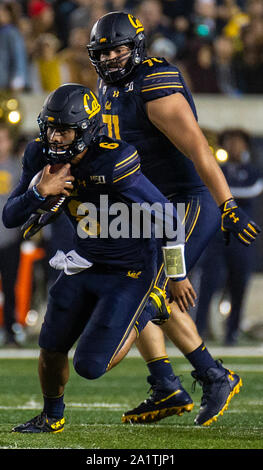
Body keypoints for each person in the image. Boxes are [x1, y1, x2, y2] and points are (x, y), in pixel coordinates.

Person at [87, 11, 260, 426]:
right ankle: (172, 383)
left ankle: (210, 376)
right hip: (151, 205)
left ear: (138, 46)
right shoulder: (108, 86)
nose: (111, 58)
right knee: (132, 286)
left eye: (119, 48)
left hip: (186, 201)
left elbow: (200, 149)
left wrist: (228, 205)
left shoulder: (154, 85)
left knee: (143, 298)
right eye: (104, 51)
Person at [3, 83, 191, 433]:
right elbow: (10, 217)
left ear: (87, 130)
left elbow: (169, 217)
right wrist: (38, 192)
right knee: (51, 345)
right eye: (51, 127)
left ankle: (148, 308)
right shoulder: (40, 156)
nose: (56, 137)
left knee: (90, 366)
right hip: (84, 260)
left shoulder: (113, 159)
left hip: (129, 269)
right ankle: (52, 416)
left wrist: (176, 276)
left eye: (65, 129)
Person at [195, 128, 263, 344]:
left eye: (238, 142)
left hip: (242, 237)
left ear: (245, 146)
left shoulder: (253, 172)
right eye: (230, 141)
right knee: (208, 283)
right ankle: (198, 330)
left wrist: (221, 193)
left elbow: (252, 190)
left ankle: (231, 332)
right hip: (216, 236)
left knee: (238, 284)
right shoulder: (217, 168)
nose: (234, 146)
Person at [0, 124, 22, 345]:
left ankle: (10, 331)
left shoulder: (18, 167)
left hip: (9, 237)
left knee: (10, 286)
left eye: (3, 139)